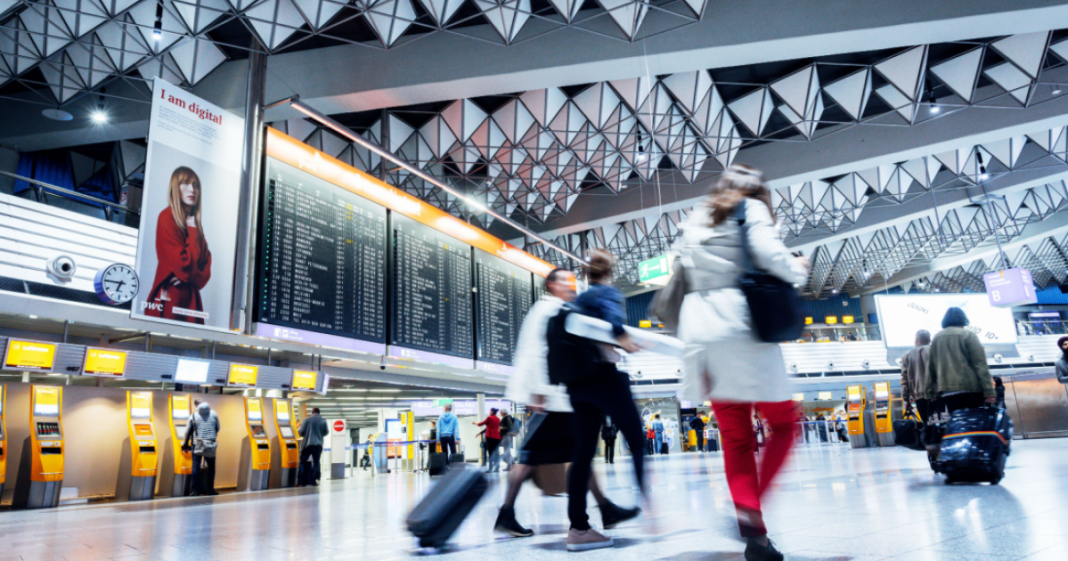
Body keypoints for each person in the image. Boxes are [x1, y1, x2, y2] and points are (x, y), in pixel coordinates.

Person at [674, 163, 810, 561]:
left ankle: (758, 542)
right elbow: (770, 257)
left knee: (735, 439)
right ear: (757, 189)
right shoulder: (750, 208)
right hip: (742, 328)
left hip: (700, 333)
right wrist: (797, 267)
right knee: (785, 424)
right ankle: (751, 510)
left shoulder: (696, 218)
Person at [495, 267, 639, 541]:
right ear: (550, 285)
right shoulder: (547, 310)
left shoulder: (557, 308)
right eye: (565, 281)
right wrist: (538, 391)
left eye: (573, 281)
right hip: (550, 398)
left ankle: (606, 509)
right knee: (537, 459)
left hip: (557, 398)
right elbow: (538, 350)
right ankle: (506, 512)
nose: (571, 285)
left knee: (577, 454)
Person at [563, 250, 650, 552]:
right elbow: (613, 322)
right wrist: (623, 339)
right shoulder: (608, 293)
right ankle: (649, 506)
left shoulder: (579, 301)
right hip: (604, 378)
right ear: (609, 272)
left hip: (577, 384)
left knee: (583, 454)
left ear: (586, 274)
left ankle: (578, 529)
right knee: (637, 441)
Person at [145, 167, 212, 324]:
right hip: (170, 298)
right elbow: (185, 265)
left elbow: (206, 271)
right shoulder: (167, 217)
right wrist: (193, 232)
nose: (192, 190)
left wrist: (188, 276)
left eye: (195, 185)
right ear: (176, 188)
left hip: (190, 300)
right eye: (185, 183)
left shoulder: (194, 224)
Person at [925, 307, 997, 414]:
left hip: (947, 391)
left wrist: (930, 393)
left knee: (958, 423)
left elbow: (931, 368)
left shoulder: (936, 338)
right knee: (974, 423)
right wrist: (989, 391)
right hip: (970, 389)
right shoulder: (969, 335)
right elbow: (980, 364)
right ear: (963, 319)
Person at [183, 399, 220, 496]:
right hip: (210, 444)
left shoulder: (193, 416)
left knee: (196, 467)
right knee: (211, 468)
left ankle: (196, 491)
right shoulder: (214, 414)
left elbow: (187, 431)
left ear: (196, 406)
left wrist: (185, 445)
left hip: (197, 444)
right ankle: (210, 490)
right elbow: (218, 428)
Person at [901, 330, 933, 423]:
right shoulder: (934, 351)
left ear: (917, 340)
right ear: (929, 340)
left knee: (927, 423)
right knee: (941, 422)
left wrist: (906, 399)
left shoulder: (907, 356)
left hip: (919, 396)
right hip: (936, 395)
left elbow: (904, 379)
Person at [297, 407, 329, 486]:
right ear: (319, 412)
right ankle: (312, 480)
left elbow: (301, 432)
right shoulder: (323, 420)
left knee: (302, 461)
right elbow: (326, 432)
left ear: (312, 412)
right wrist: (319, 434)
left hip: (308, 444)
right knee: (316, 462)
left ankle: (301, 482)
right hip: (318, 444)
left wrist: (305, 434)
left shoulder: (307, 420)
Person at [475, 408, 502, 473]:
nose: (489, 412)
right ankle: (497, 468)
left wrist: (475, 423)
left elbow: (481, 424)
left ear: (492, 412)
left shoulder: (489, 418)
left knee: (490, 453)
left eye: (490, 411)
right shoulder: (498, 419)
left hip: (490, 437)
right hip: (497, 437)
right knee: (496, 453)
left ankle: (490, 468)